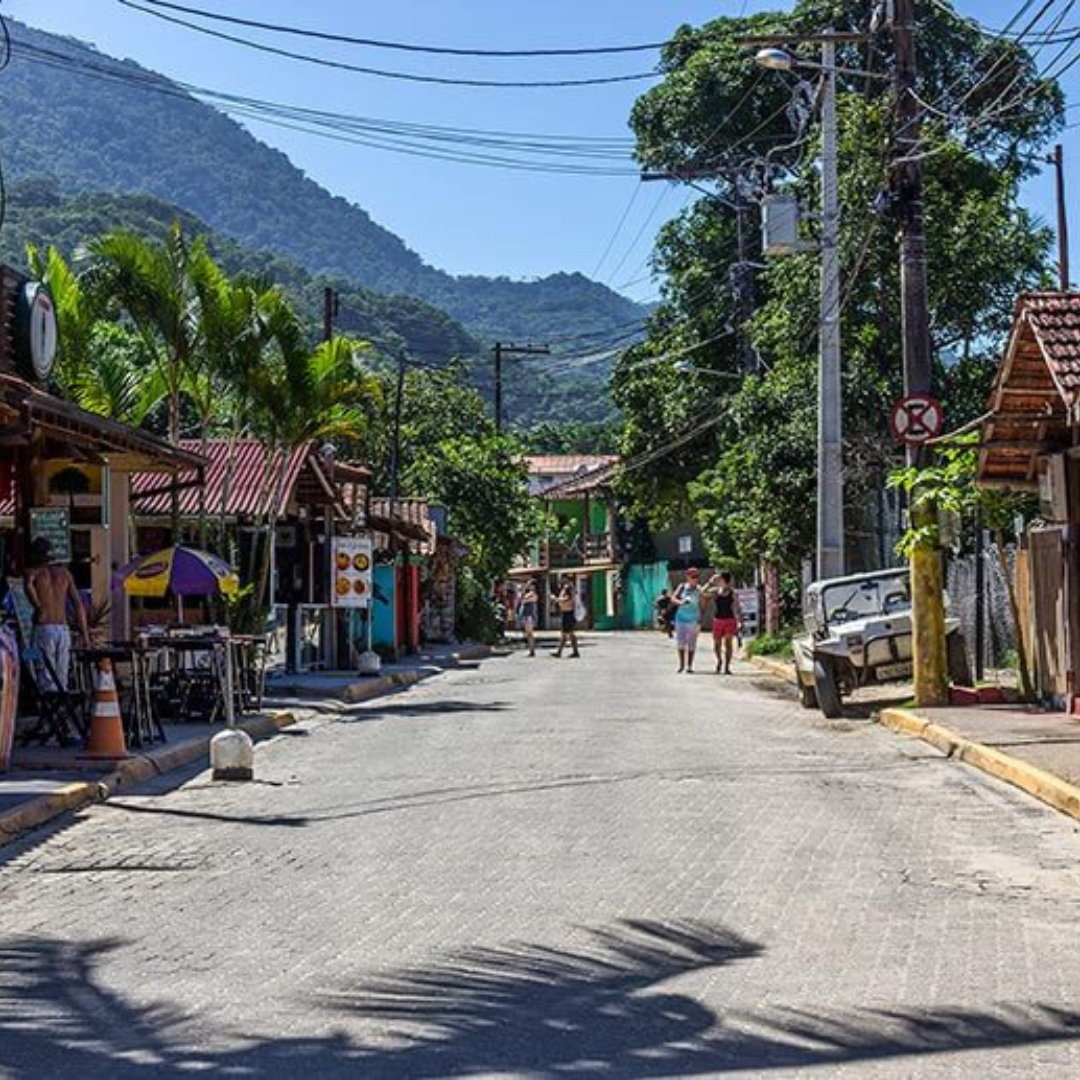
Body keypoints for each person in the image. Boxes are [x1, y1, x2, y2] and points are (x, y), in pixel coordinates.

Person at [25, 536, 89, 693]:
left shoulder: (33, 573)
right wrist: (85, 635)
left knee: (44, 673)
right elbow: (79, 606)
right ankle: (60, 705)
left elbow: (28, 585)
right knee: (62, 677)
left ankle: (47, 704)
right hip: (63, 630)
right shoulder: (65, 574)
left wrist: (38, 606)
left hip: (44, 629)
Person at [671, 568, 704, 673]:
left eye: (696, 577)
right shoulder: (682, 587)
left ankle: (689, 666)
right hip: (681, 618)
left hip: (694, 619)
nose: (695, 579)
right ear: (688, 577)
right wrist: (681, 602)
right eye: (693, 577)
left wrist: (701, 618)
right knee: (681, 642)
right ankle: (681, 665)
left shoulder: (699, 589)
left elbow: (702, 604)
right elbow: (673, 598)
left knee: (692, 643)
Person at [709, 571, 743, 675]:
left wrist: (739, 621)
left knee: (728, 644)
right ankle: (719, 660)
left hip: (729, 620)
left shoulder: (733, 592)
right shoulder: (715, 591)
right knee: (717, 645)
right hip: (717, 620)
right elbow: (702, 592)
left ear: (724, 580)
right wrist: (710, 582)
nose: (718, 581)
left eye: (720, 579)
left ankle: (727, 666)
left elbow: (737, 607)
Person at [552, 575, 580, 658]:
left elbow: (567, 598)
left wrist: (556, 599)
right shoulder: (566, 587)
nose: (560, 580)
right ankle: (572, 652)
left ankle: (560, 652)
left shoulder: (568, 587)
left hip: (568, 612)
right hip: (566, 612)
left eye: (562, 578)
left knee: (567, 633)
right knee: (568, 634)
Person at [517, 578, 539, 657]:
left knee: (529, 634)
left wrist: (523, 592)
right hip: (526, 615)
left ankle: (532, 650)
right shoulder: (529, 593)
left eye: (529, 584)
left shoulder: (533, 594)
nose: (528, 585)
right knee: (528, 634)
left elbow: (523, 600)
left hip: (529, 616)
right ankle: (531, 650)